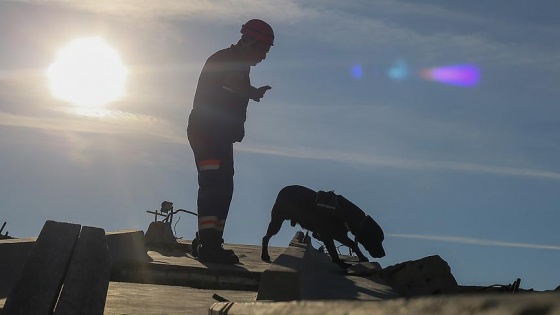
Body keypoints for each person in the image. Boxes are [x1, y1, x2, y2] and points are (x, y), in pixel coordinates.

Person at [187, 19, 274, 264]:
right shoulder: (226, 59)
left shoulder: (240, 65)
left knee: (224, 186)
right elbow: (233, 83)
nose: (264, 57)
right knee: (214, 184)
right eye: (262, 50)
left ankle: (207, 239)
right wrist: (252, 92)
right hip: (207, 133)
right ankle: (208, 244)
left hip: (219, 136)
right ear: (250, 42)